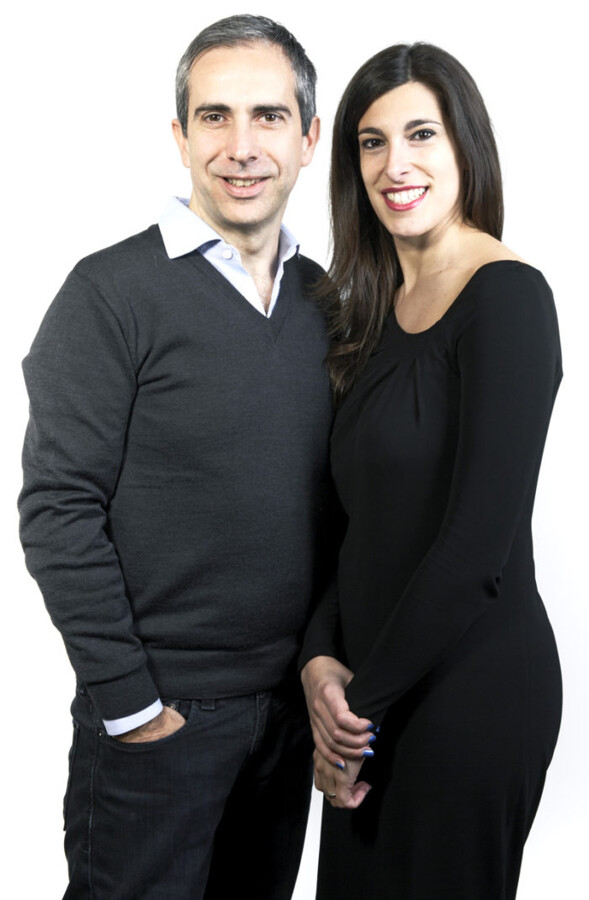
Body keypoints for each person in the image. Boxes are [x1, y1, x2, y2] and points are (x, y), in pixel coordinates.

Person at [19, 15, 331, 900]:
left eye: (268, 117)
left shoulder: (325, 301)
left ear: (307, 139)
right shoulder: (109, 293)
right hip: (159, 722)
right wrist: (130, 703)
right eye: (214, 116)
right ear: (180, 135)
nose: (242, 146)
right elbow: (57, 508)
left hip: (286, 718)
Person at [300, 42, 562, 899]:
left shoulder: (508, 298)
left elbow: (475, 546)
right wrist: (317, 662)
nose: (394, 164)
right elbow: (352, 528)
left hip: (465, 698)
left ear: (464, 146)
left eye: (420, 134)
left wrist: (354, 715)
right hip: (366, 697)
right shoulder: (368, 317)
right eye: (371, 142)